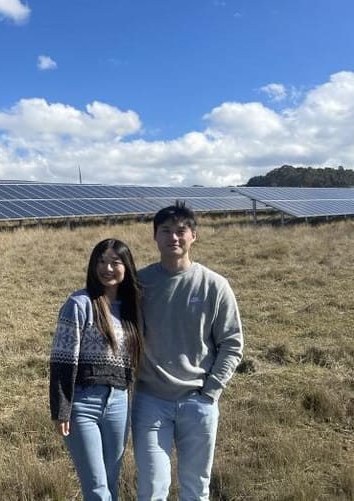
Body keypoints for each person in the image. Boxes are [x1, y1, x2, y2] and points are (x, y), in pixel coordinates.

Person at [132, 201, 244, 500]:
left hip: (198, 401)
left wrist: (211, 390)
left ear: (194, 235)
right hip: (150, 401)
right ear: (154, 236)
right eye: (165, 231)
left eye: (181, 231)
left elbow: (232, 342)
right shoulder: (139, 283)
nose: (174, 238)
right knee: (152, 487)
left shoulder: (214, 285)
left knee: (196, 488)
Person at [50, 238, 143, 501]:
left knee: (111, 482)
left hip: (119, 402)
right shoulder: (79, 304)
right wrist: (61, 409)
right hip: (82, 404)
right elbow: (62, 359)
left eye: (115, 262)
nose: (107, 268)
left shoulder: (131, 307)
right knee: (97, 487)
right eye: (101, 261)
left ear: (126, 266)